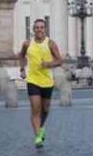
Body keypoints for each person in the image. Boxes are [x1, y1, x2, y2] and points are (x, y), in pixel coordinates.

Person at [18, 19, 65, 148]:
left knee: (45, 109)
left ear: (45, 29)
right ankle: (38, 136)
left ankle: (42, 127)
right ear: (33, 30)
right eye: (37, 27)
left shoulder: (50, 43)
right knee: (35, 108)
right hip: (33, 80)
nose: (39, 30)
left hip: (47, 81)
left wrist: (48, 64)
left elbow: (60, 60)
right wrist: (22, 69)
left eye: (42, 27)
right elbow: (21, 56)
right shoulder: (27, 44)